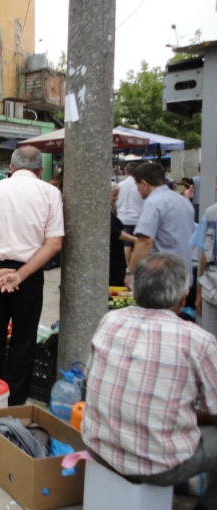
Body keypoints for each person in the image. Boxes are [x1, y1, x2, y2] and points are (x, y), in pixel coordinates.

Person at [81, 253, 217, 510]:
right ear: (182, 297)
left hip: (97, 448)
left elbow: (89, 381)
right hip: (155, 465)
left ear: (136, 291)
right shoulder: (198, 340)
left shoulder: (111, 320)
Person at [0, 145, 64, 406]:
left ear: (11, 167)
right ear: (41, 170)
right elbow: (54, 243)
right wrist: (20, 276)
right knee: (23, 339)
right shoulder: (50, 193)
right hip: (29, 275)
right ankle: (15, 401)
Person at [125, 162, 195, 290]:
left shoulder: (153, 203)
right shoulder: (184, 201)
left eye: (137, 185)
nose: (137, 189)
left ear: (144, 184)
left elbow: (145, 240)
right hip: (184, 274)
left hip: (162, 277)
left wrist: (131, 272)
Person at [190, 200, 217, 337]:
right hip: (210, 287)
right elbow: (203, 257)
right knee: (209, 340)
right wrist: (199, 294)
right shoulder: (211, 213)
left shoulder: (212, 212)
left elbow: (203, 257)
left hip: (210, 286)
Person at [115, 161, 142, 266]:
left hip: (123, 217)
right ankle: (135, 265)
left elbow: (116, 201)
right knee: (138, 242)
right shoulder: (138, 186)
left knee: (126, 243)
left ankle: (127, 264)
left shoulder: (120, 185)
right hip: (137, 218)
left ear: (126, 171)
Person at [109, 186, 136, 286]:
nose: (116, 198)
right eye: (114, 195)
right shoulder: (105, 213)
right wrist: (134, 240)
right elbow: (115, 232)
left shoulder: (109, 212)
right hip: (113, 258)